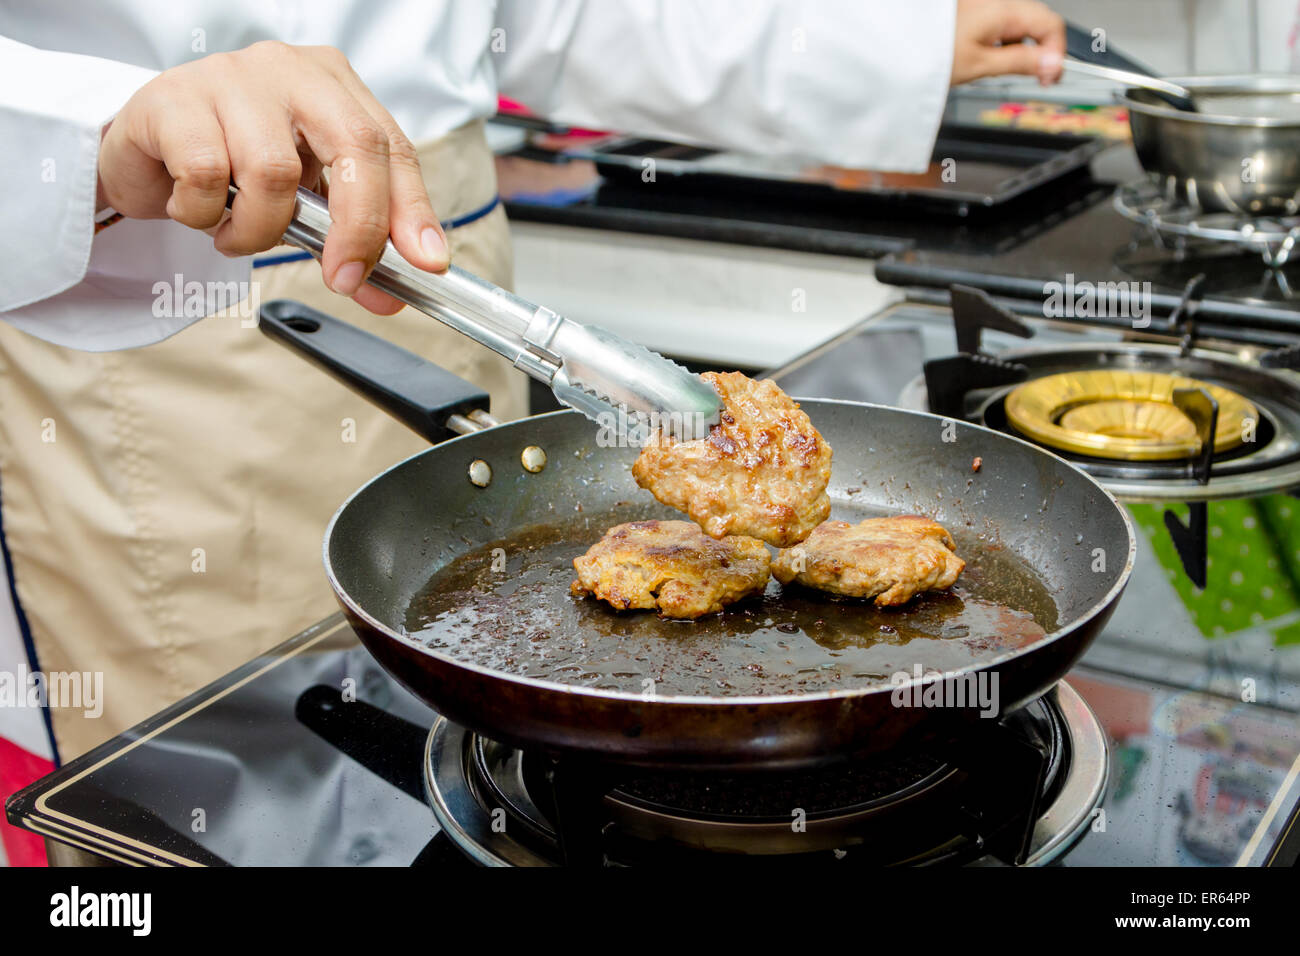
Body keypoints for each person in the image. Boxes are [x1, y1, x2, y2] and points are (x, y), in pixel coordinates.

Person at [0, 0, 1065, 768]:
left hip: (442, 244)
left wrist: (884, 40)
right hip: (143, 287)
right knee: (237, 765)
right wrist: (93, 125)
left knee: (460, 745)